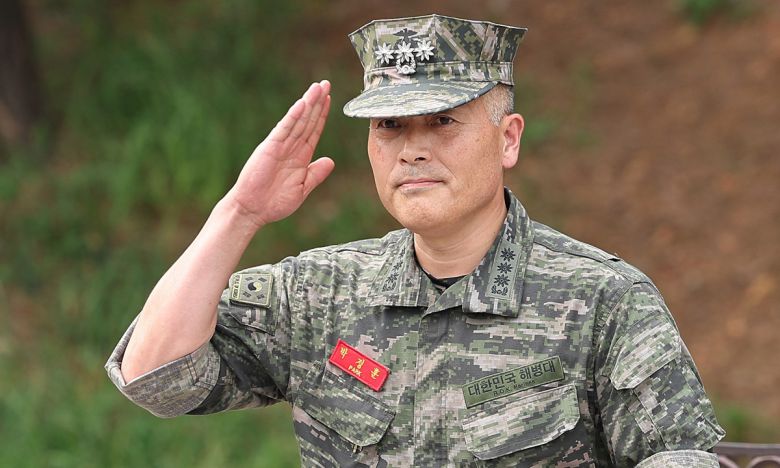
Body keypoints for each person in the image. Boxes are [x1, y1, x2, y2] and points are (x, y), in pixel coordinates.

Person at [106, 14, 724, 467]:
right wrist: (239, 213)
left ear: (508, 138)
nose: (413, 149)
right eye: (390, 125)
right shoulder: (319, 295)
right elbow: (156, 377)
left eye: (443, 121)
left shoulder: (603, 300)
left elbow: (681, 455)